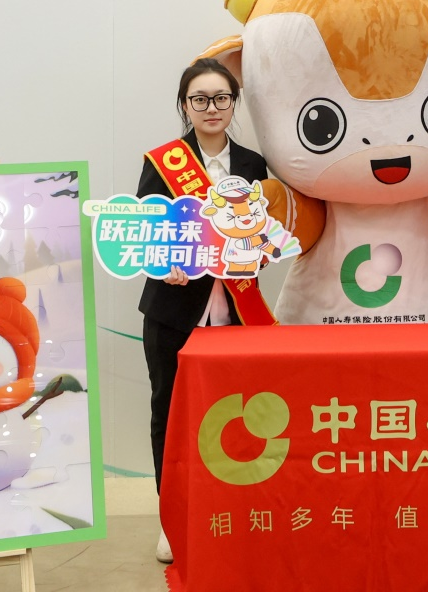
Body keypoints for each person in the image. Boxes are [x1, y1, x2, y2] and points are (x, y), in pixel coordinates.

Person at [137, 58, 270, 563]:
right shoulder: (164, 161)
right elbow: (148, 228)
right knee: (169, 415)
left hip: (235, 312)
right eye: (200, 99)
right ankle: (171, 519)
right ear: (185, 105)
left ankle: (230, 509)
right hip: (173, 312)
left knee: (236, 415)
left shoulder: (254, 164)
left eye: (221, 98)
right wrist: (164, 262)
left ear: (233, 103)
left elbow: (263, 231)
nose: (211, 108)